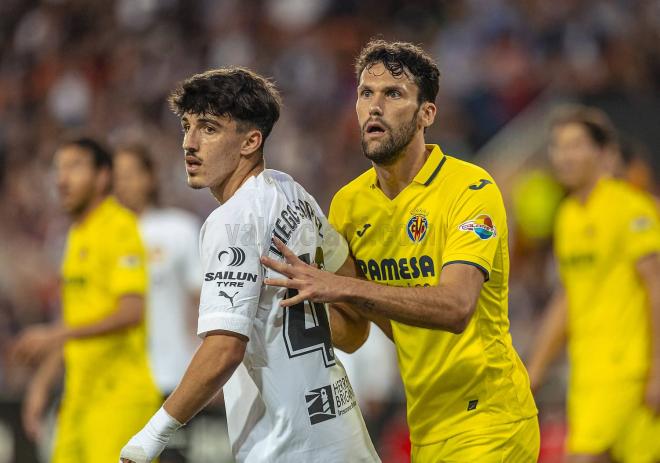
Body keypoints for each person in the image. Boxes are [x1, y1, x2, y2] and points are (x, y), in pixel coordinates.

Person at [261, 39, 539, 462]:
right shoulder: (349, 206)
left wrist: (339, 286)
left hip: (491, 418)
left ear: (426, 113)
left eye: (393, 94)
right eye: (365, 94)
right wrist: (290, 305)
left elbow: (456, 307)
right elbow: (355, 333)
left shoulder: (471, 188)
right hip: (425, 426)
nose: (375, 106)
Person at [120, 67, 379, 463]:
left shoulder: (232, 222)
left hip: (283, 446)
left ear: (250, 141)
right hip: (340, 433)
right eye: (186, 127)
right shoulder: (294, 193)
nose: (189, 144)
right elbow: (355, 311)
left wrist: (152, 435)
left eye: (208, 129)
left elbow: (225, 348)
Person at [12, 137, 161, 462]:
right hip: (78, 398)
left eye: (74, 167)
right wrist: (41, 383)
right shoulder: (77, 235)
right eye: (58, 168)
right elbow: (76, 321)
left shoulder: (120, 226)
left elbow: (131, 312)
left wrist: (53, 335)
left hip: (119, 399)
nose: (61, 178)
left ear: (103, 176)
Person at [527, 106, 660, 463]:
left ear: (603, 153)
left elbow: (656, 289)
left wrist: (658, 369)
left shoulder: (632, 209)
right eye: (557, 146)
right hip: (588, 370)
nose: (563, 156)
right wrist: (535, 369)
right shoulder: (568, 216)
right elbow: (569, 297)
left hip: (628, 369)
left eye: (575, 145)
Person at [114, 144, 202, 462]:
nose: (121, 183)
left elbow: (201, 300)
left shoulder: (179, 229)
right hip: (118, 382)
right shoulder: (104, 235)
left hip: (169, 376)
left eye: (129, 174)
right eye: (116, 176)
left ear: (149, 177)